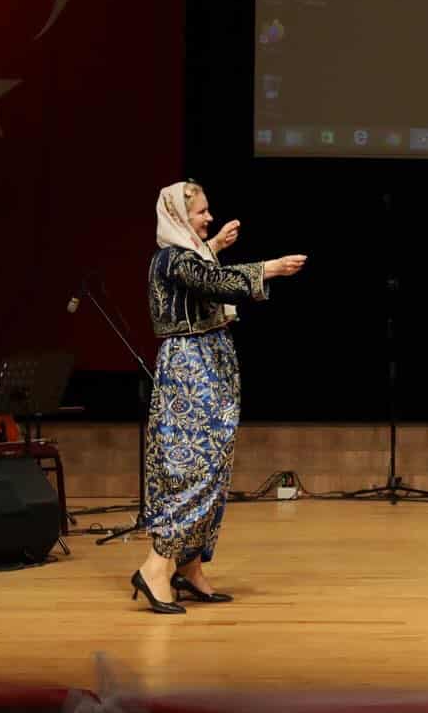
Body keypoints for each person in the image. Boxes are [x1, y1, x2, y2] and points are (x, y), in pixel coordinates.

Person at [133, 180, 306, 614]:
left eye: (208, 211)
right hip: (190, 369)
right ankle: (156, 567)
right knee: (190, 464)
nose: (209, 217)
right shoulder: (171, 259)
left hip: (211, 361)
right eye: (200, 213)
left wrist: (213, 245)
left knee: (215, 466)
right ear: (177, 217)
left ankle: (189, 564)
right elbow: (211, 281)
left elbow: (205, 271)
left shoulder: (189, 254)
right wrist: (268, 268)